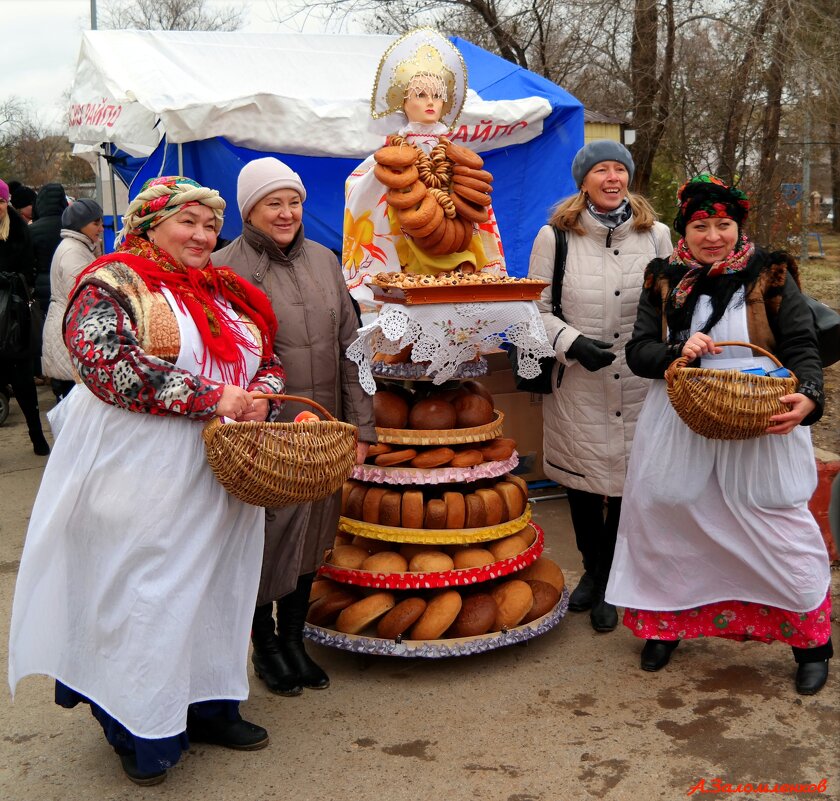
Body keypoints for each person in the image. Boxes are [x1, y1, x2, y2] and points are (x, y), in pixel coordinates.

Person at [8, 176, 286, 786]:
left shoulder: (224, 290)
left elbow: (266, 355)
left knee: (217, 586)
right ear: (149, 223)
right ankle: (138, 726)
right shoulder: (109, 281)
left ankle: (209, 704)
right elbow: (110, 367)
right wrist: (216, 396)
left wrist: (261, 395)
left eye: (211, 225)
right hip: (137, 468)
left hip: (219, 468)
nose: (203, 234)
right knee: (143, 593)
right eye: (188, 221)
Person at [606, 174, 831, 696]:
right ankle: (667, 625)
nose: (713, 236)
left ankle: (810, 643)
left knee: (775, 519)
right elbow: (639, 351)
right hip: (680, 416)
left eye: (723, 224)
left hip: (762, 416)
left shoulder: (769, 273)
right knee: (666, 512)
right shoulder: (664, 277)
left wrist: (810, 396)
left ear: (738, 226)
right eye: (701, 225)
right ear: (685, 228)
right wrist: (674, 352)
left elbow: (801, 343)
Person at [216, 158, 376, 697]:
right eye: (272, 203)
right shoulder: (225, 269)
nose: (286, 213)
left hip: (324, 427)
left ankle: (295, 639)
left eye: (294, 201)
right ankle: (265, 644)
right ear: (249, 211)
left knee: (315, 533)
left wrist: (361, 429)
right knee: (267, 539)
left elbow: (352, 350)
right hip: (265, 435)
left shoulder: (326, 261)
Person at [526, 141, 672, 633]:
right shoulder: (556, 237)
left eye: (619, 170)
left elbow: (677, 304)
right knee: (583, 484)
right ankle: (593, 570)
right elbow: (536, 309)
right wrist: (570, 342)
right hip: (580, 382)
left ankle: (613, 580)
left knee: (632, 485)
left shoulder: (657, 236)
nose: (612, 178)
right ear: (583, 181)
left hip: (637, 380)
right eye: (601, 170)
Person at [342, 28, 505, 305]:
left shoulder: (458, 156)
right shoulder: (390, 154)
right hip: (406, 251)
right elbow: (359, 191)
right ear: (403, 102)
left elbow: (479, 207)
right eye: (420, 94)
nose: (430, 102)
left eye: (437, 95)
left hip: (459, 250)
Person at [0, 178, 50, 454]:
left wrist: (13, 280)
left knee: (23, 380)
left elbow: (31, 269)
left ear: (6, 202)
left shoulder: (19, 230)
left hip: (15, 316)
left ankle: (37, 435)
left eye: (0, 200)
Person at [41, 198, 104, 401]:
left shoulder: (80, 246)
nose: (101, 228)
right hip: (68, 328)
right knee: (72, 398)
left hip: (69, 325)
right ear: (80, 224)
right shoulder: (73, 251)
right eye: (96, 223)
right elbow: (83, 295)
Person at [28, 182, 69, 314]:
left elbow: (30, 262)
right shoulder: (71, 226)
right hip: (67, 282)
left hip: (42, 287)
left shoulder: (31, 230)